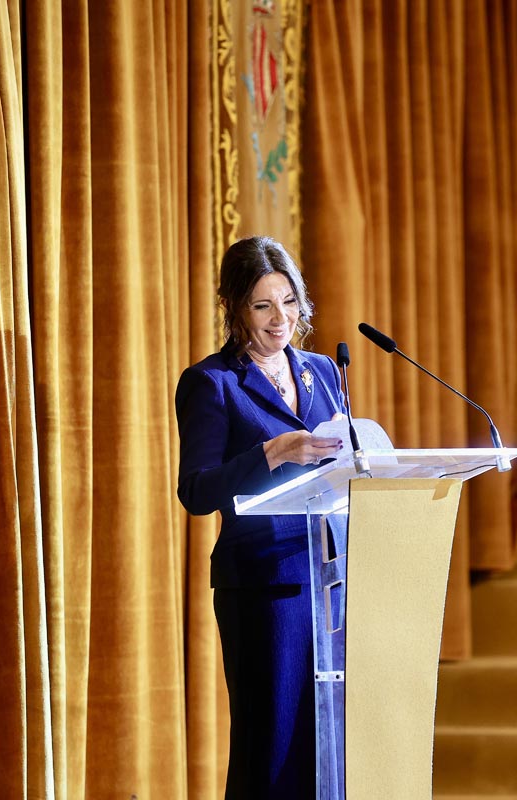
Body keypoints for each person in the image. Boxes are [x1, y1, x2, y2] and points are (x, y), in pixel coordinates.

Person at [175, 236, 346, 798]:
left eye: (290, 302)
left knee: (330, 738)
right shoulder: (213, 383)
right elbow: (197, 491)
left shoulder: (323, 372)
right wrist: (272, 453)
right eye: (263, 306)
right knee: (271, 741)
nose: (282, 320)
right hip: (265, 588)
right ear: (233, 307)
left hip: (331, 582)